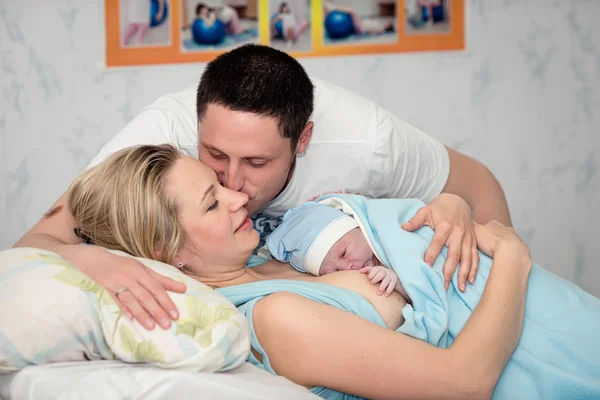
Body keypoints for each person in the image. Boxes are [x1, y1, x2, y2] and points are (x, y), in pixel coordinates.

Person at [14, 44, 512, 331]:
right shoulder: (161, 135)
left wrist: (463, 221)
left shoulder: (369, 141)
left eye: (256, 162)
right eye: (213, 158)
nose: (232, 183)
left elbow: (479, 186)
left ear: (304, 141)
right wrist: (98, 259)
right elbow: (32, 245)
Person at [63, 144, 600, 399]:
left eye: (219, 181)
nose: (236, 194)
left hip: (562, 317)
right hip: (544, 357)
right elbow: (463, 384)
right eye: (211, 202)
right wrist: (512, 260)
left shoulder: (269, 247)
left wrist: (452, 202)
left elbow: (381, 217)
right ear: (167, 249)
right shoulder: (276, 320)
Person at [264, 201, 404, 296]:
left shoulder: (395, 232)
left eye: (344, 253)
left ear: (359, 229)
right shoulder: (371, 275)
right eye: (336, 271)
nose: (347, 267)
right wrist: (395, 281)